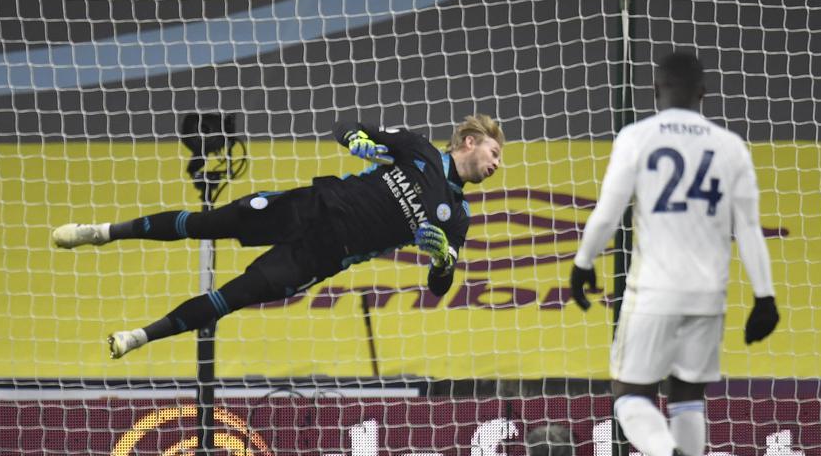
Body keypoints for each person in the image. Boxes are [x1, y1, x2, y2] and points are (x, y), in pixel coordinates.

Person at [52, 114, 503, 359]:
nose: (496, 164)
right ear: (469, 141)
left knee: (233, 297)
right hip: (308, 207)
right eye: (494, 151)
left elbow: (439, 286)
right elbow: (346, 125)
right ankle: (104, 233)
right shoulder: (419, 149)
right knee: (206, 224)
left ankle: (138, 337)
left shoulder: (457, 216)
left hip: (324, 255)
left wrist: (443, 261)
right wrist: (357, 141)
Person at [568, 51, 780, 456]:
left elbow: (608, 211)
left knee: (629, 396)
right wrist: (764, 297)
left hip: (653, 292)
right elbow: (749, 228)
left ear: (655, 92)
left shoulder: (637, 136)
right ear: (703, 93)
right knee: (688, 397)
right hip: (709, 296)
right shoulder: (730, 147)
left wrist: (583, 263)